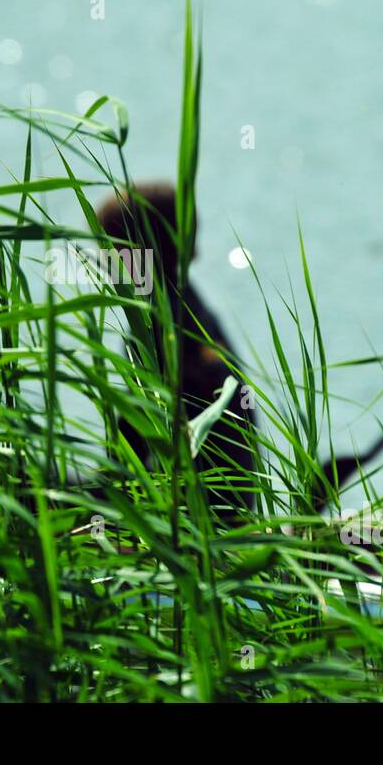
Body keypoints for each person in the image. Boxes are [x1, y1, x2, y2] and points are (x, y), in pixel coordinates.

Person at [95, 182, 260, 525]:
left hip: (195, 515)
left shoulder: (156, 323)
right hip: (234, 506)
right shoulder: (189, 305)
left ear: (132, 252)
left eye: (109, 249)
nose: (102, 261)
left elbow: (133, 443)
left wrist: (94, 497)